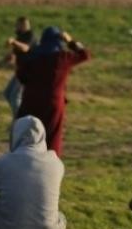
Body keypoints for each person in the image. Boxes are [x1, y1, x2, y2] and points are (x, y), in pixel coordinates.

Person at [15, 26, 91, 157]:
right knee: (52, 137)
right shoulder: (62, 58)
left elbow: (21, 76)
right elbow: (85, 55)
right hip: (53, 103)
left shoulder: (33, 57)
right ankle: (50, 164)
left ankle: (23, 161)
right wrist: (71, 42)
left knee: (27, 135)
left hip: (30, 101)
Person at [3, 16, 35, 115]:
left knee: (15, 97)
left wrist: (13, 42)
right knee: (7, 93)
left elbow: (25, 48)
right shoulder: (20, 37)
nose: (16, 27)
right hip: (20, 70)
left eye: (17, 25)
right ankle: (19, 116)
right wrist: (11, 56)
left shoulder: (30, 35)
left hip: (27, 72)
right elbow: (17, 51)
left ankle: (20, 118)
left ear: (22, 25)